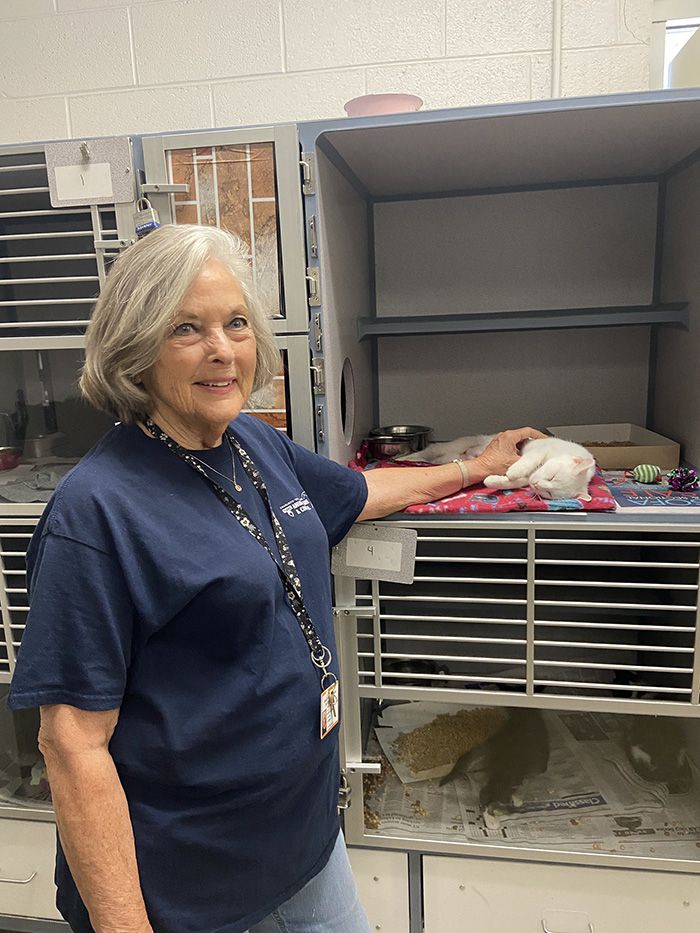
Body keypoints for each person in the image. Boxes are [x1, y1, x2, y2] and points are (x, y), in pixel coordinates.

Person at [7, 224, 542, 933]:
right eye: (185, 328)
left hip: (309, 846)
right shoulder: (99, 511)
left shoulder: (249, 441)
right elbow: (72, 746)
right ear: (135, 349)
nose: (222, 348)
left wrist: (477, 466)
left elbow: (354, 494)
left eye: (234, 323)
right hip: (195, 888)